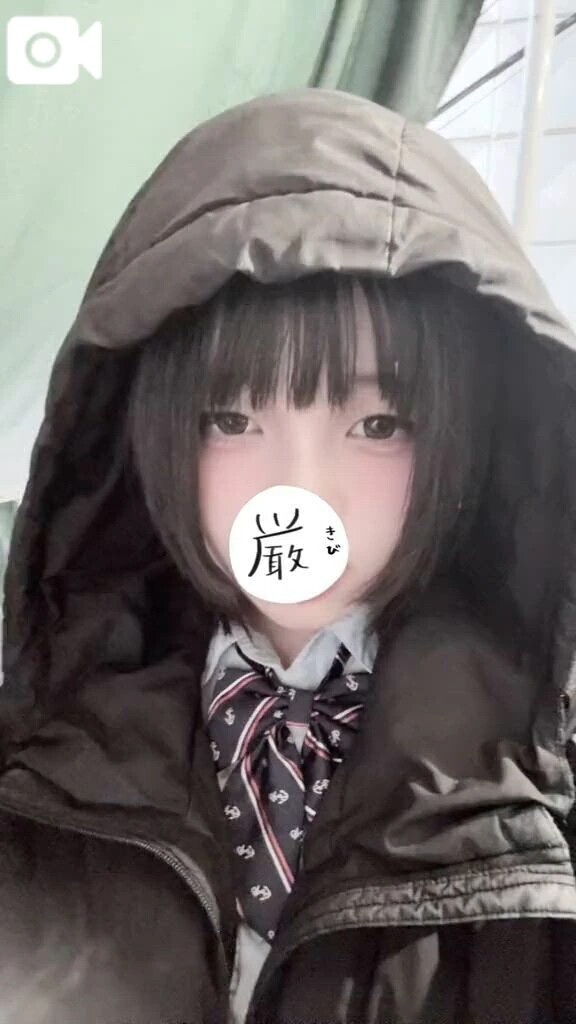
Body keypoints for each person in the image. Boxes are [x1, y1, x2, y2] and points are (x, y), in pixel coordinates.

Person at [0, 86, 575, 1024]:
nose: (299, 493)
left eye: (377, 424)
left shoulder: (543, 836)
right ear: (145, 435)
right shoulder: (31, 776)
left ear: (464, 443)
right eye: (232, 419)